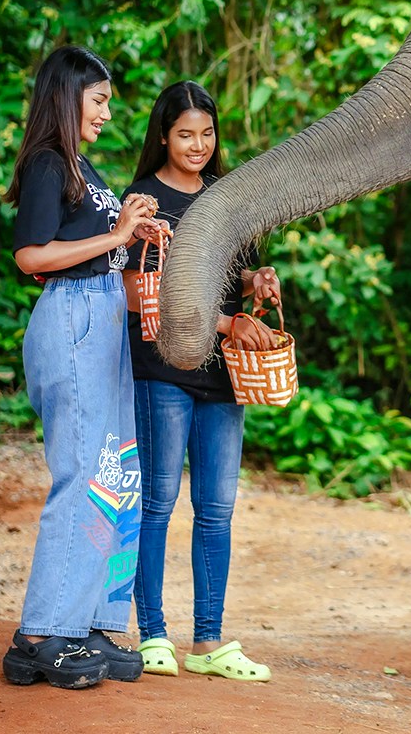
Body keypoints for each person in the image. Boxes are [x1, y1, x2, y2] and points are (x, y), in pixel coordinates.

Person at [1, 45, 167, 690]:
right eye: (98, 100)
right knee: (80, 475)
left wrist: (135, 240)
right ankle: (40, 635)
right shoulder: (47, 163)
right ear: (68, 97)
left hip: (104, 318)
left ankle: (89, 621)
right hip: (71, 320)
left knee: (114, 473)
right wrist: (116, 236)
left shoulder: (84, 167)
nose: (106, 112)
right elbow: (33, 255)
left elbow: (102, 250)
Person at [121, 80, 283, 681]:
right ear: (163, 135)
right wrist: (225, 321)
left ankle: (209, 640)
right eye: (185, 133)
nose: (197, 144)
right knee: (158, 502)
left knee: (216, 510)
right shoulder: (143, 199)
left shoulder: (224, 197)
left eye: (207, 133)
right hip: (163, 370)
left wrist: (254, 284)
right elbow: (141, 293)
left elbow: (226, 276)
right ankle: (152, 633)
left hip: (223, 378)